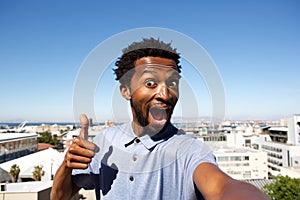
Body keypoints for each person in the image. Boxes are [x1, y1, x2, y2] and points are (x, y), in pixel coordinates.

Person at [51, 38, 269, 200]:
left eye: (172, 83)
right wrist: (67, 164)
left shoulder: (190, 150)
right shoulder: (104, 141)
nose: (165, 94)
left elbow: (222, 188)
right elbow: (59, 197)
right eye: (150, 83)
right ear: (126, 91)